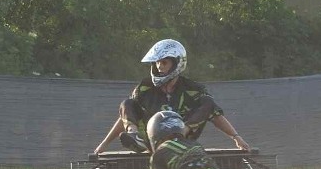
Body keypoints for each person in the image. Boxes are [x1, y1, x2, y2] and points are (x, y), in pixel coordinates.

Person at [94, 39, 250, 154]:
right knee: (127, 103)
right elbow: (126, 115)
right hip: (152, 140)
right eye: (157, 63)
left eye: (164, 63)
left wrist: (236, 137)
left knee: (207, 101)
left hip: (183, 140)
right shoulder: (145, 88)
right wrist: (104, 144)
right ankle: (136, 138)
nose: (159, 67)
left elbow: (215, 115)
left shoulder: (193, 89)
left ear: (177, 63)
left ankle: (180, 134)